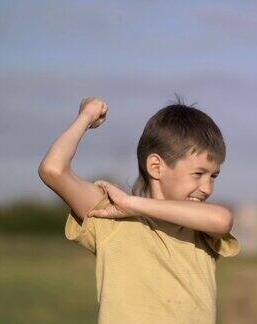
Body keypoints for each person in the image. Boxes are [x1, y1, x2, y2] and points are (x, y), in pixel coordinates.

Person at [38, 95, 240, 323]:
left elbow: (222, 220)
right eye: (198, 174)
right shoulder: (111, 218)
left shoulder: (200, 231)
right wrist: (86, 117)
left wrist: (132, 204)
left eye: (213, 176)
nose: (207, 188)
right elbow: (53, 169)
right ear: (156, 167)